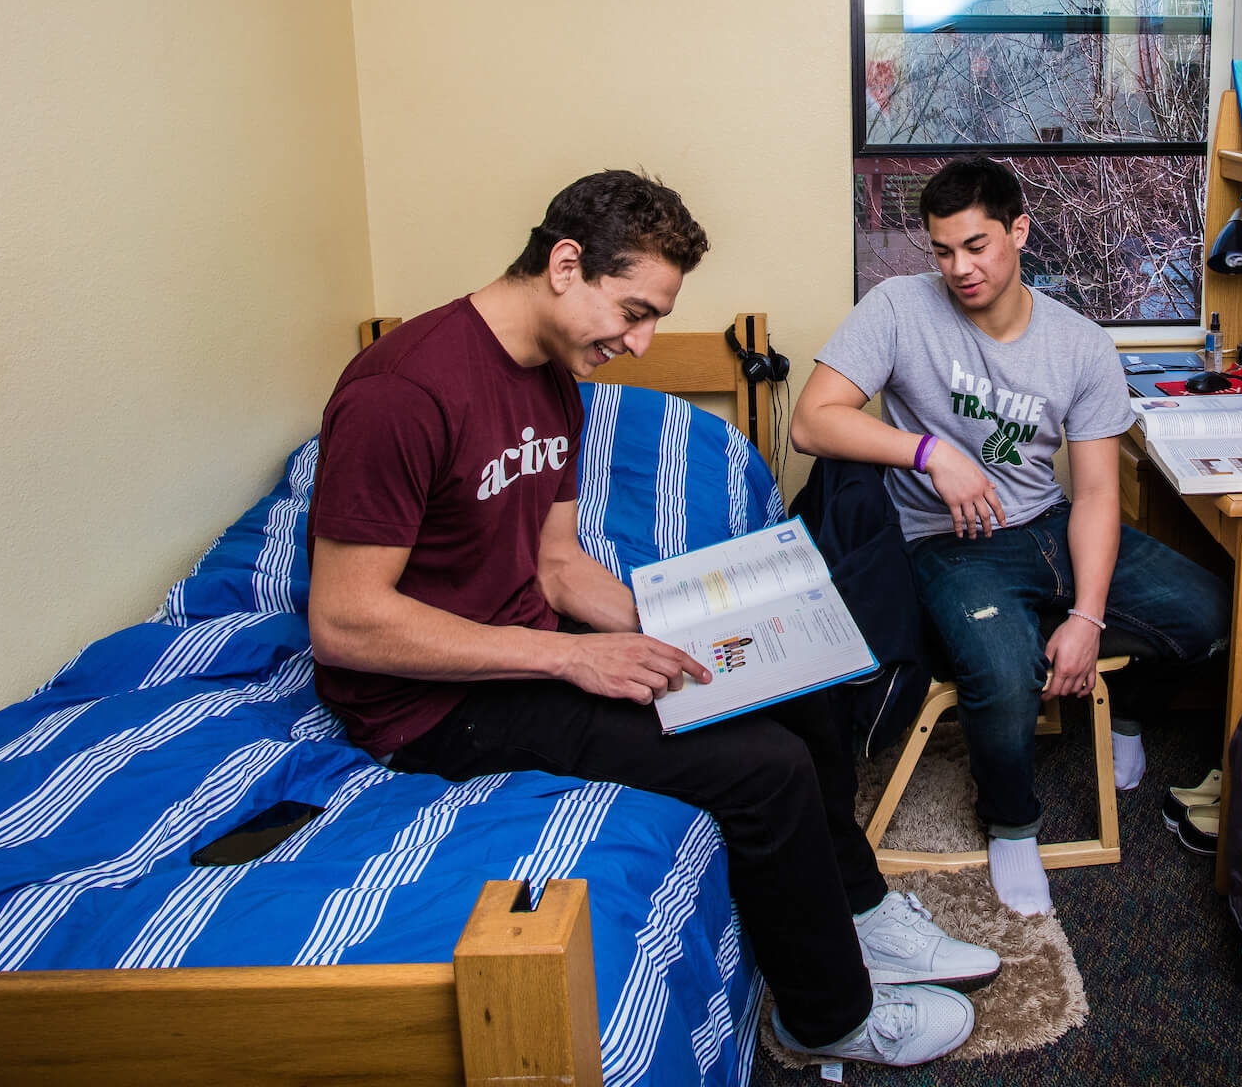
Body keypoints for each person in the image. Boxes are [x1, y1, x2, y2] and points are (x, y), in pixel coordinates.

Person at [305, 170, 992, 1068]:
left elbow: (555, 566)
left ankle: (863, 912)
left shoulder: (552, 380)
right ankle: (826, 1018)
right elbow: (346, 622)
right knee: (765, 769)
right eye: (632, 312)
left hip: (528, 648)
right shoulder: (402, 390)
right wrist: (569, 664)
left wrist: (673, 626)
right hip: (429, 705)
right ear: (564, 265)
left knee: (805, 691)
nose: (640, 343)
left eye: (655, 319)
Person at [791, 157, 1230, 917]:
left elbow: (1095, 492)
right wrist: (932, 453)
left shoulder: (1081, 343)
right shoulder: (898, 307)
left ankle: (1124, 703)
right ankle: (1012, 823)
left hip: (1050, 524)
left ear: (1019, 231)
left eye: (977, 246)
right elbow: (811, 421)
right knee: (1003, 667)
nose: (958, 268)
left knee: (1212, 612)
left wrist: (1089, 617)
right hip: (944, 540)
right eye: (942, 250)